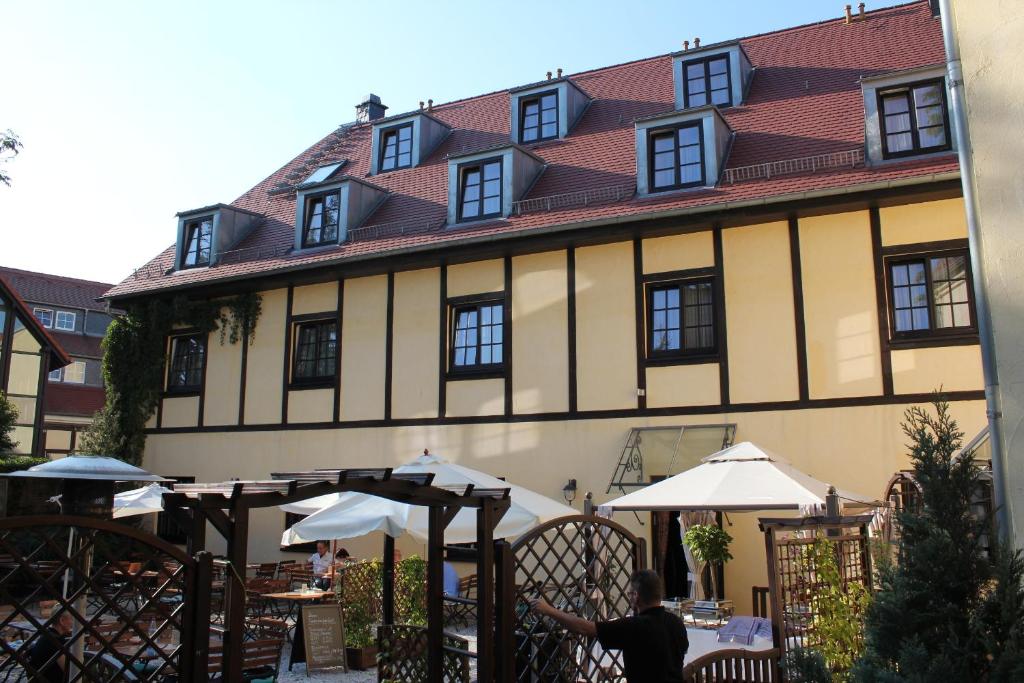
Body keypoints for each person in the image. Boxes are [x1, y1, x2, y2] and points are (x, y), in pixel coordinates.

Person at [529, 569, 687, 683]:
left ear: (636, 596)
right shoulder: (677, 623)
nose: (629, 596)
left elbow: (585, 628)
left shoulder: (634, 626)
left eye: (630, 593)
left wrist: (549, 610)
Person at [27, 610, 73, 683]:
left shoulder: (46, 636)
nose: (72, 623)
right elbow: (70, 671)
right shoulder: (56, 641)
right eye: (71, 619)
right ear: (62, 621)